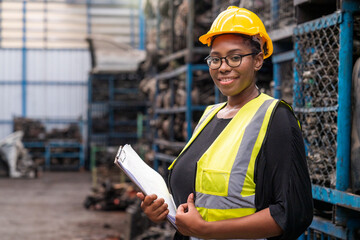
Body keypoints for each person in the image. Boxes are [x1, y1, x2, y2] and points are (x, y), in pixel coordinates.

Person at [137, 6, 313, 240]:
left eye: (235, 57)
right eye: (215, 59)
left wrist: (206, 230)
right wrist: (162, 210)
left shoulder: (275, 117)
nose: (223, 67)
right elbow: (200, 196)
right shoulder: (210, 115)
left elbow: (292, 213)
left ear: (258, 60)